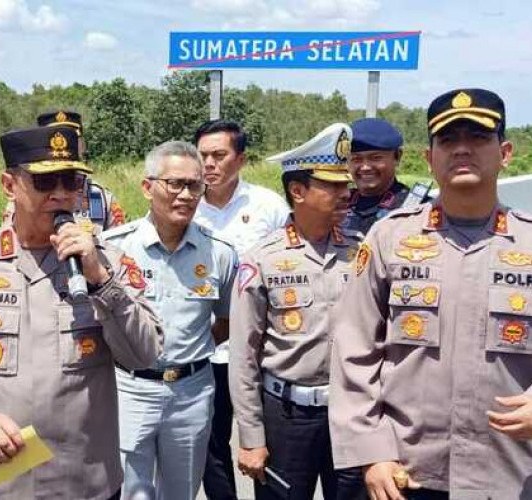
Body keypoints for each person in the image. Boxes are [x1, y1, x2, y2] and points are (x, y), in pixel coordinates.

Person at [0, 124, 162, 499]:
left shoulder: (108, 262)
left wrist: (100, 280)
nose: (60, 195)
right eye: (45, 183)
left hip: (82, 482)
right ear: (9, 185)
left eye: (72, 182)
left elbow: (144, 354)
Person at [329, 88, 532, 499]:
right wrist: (372, 451)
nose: (462, 150)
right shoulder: (390, 238)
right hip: (408, 471)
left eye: (477, 138)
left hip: (511, 473)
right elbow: (354, 350)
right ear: (429, 157)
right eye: (447, 140)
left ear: (505, 152)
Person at [230, 123, 366, 500]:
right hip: (287, 417)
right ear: (298, 191)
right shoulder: (263, 259)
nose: (346, 192)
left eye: (346, 183)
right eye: (332, 185)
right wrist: (251, 437)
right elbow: (244, 356)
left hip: (349, 413)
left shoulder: (362, 253)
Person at [103, 140, 237, 499]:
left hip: (191, 390)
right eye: (174, 184)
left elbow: (224, 322)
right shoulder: (115, 249)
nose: (186, 195)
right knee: (131, 491)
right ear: (148, 188)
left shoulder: (220, 253)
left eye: (195, 186)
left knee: (182, 492)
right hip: (130, 388)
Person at [193, 120, 289, 500]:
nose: (209, 165)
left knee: (264, 444)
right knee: (212, 446)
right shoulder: (186, 205)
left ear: (241, 158)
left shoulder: (268, 206)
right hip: (207, 348)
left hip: (259, 350)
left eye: (219, 155)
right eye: (203, 156)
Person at [37, 109, 125, 231]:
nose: (63, 145)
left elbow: (117, 244)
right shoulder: (26, 196)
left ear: (82, 145)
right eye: (55, 137)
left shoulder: (101, 197)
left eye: (71, 138)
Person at [343, 118, 429, 236]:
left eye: (375, 158)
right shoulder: (339, 204)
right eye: (356, 159)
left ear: (397, 157)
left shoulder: (418, 208)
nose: (365, 167)